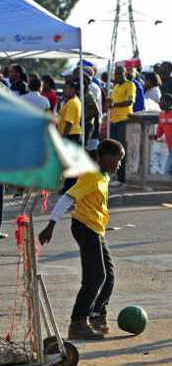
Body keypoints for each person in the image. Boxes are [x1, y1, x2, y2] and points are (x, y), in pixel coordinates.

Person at [39, 139, 125, 340]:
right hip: (84, 228)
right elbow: (66, 198)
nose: (119, 163)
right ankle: (78, 322)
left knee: (108, 275)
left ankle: (97, 314)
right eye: (118, 159)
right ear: (104, 157)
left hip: (96, 229)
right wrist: (51, 225)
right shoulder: (91, 177)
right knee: (95, 277)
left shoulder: (103, 177)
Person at [108, 66, 136, 187]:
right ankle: (119, 177)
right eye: (116, 74)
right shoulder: (116, 86)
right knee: (115, 149)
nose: (117, 76)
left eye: (119, 74)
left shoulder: (129, 85)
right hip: (113, 120)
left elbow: (130, 101)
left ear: (124, 74)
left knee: (122, 149)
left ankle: (124, 178)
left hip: (124, 120)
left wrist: (114, 104)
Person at [58, 81, 83, 193]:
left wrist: (64, 139)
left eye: (66, 89)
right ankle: (68, 186)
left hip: (71, 134)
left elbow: (69, 123)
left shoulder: (73, 102)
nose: (64, 91)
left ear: (73, 89)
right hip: (72, 134)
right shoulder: (70, 101)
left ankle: (70, 187)